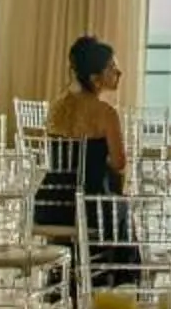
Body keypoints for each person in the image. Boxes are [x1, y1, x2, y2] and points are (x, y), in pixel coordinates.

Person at [36, 35, 136, 284]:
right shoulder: (105, 113)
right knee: (123, 208)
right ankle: (118, 283)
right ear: (95, 78)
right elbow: (120, 162)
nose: (119, 72)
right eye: (112, 68)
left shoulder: (57, 107)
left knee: (116, 203)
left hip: (50, 205)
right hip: (87, 207)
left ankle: (66, 277)